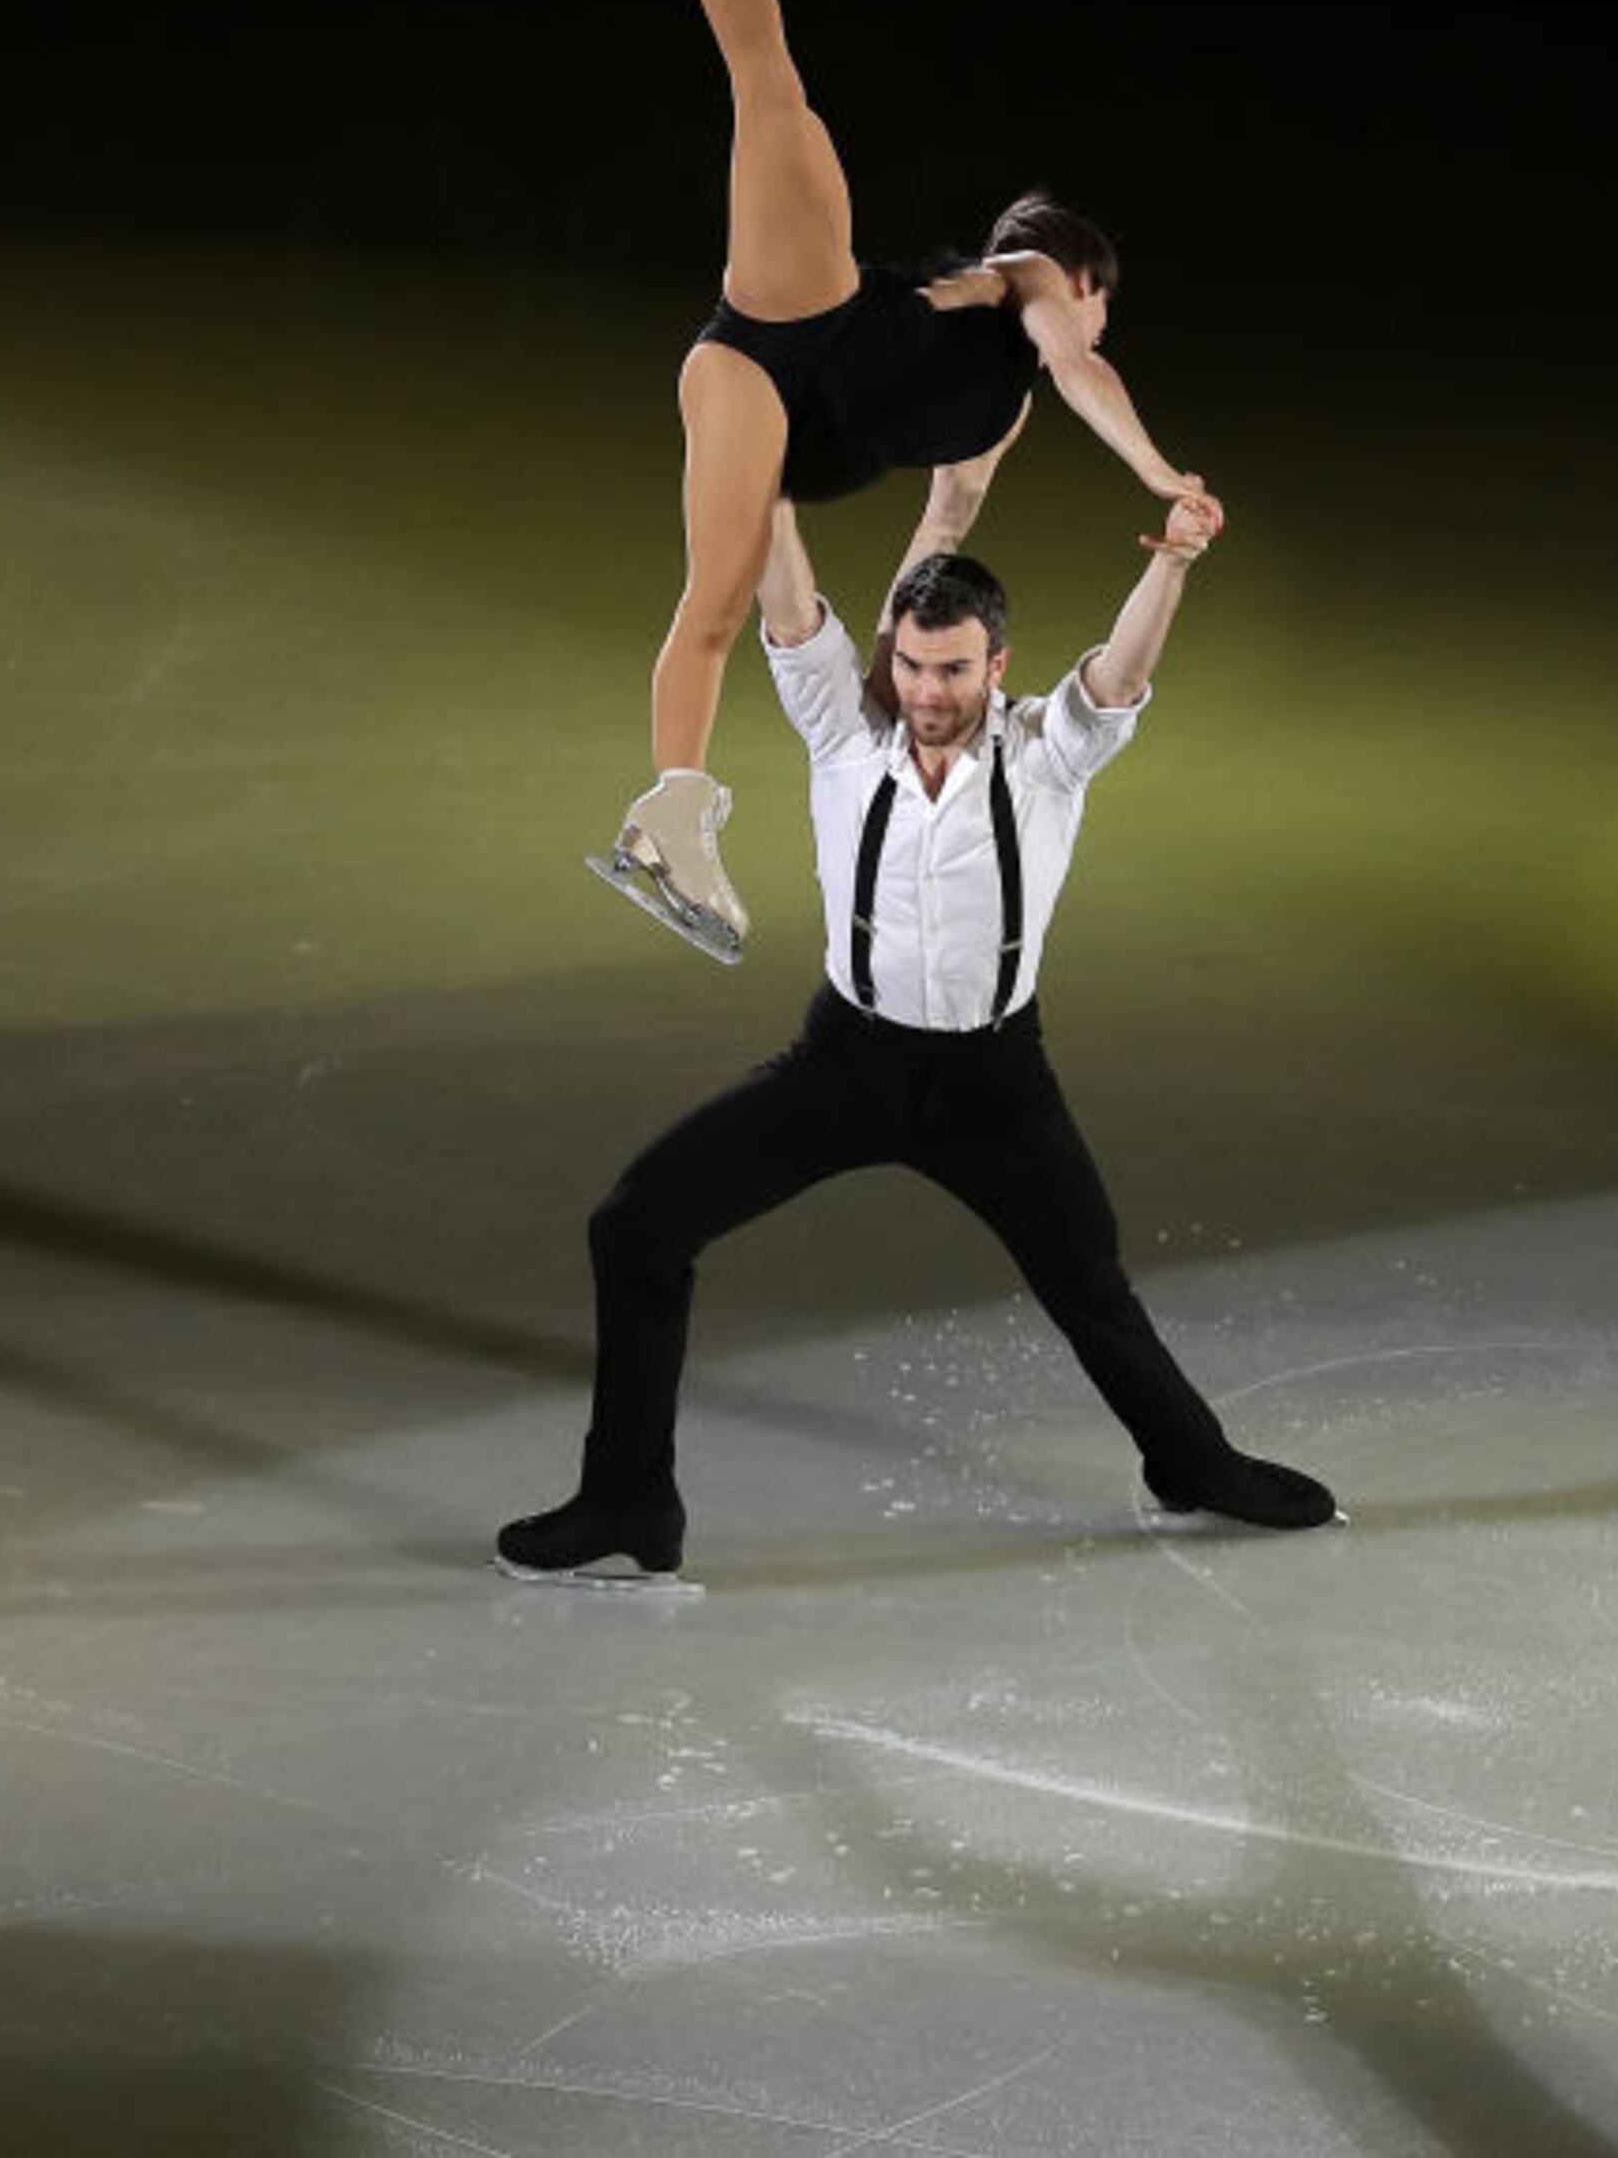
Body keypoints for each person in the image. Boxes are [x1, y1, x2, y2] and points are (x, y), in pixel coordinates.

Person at [502, 484, 1339, 1585]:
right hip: (845, 1064)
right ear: (890, 656)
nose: (927, 691)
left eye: (952, 669)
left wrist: (1173, 564)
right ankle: (628, 1499)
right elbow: (789, 606)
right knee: (636, 1226)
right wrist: (765, 483)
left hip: (996, 1082)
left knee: (1088, 1281)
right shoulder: (845, 733)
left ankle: (1192, 1462)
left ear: (997, 665)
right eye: (910, 664)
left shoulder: (1045, 753)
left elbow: (1120, 677)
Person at [592, 0, 1216, 964]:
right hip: (792, 324)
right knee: (774, 100)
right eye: (1105, 307)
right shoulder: (1030, 283)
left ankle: (669, 812)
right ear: (1075, 276)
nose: (1098, 330)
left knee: (718, 604)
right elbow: (1083, 369)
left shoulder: (999, 417)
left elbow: (939, 536)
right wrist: (1154, 470)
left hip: (778, 416)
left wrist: (886, 670)